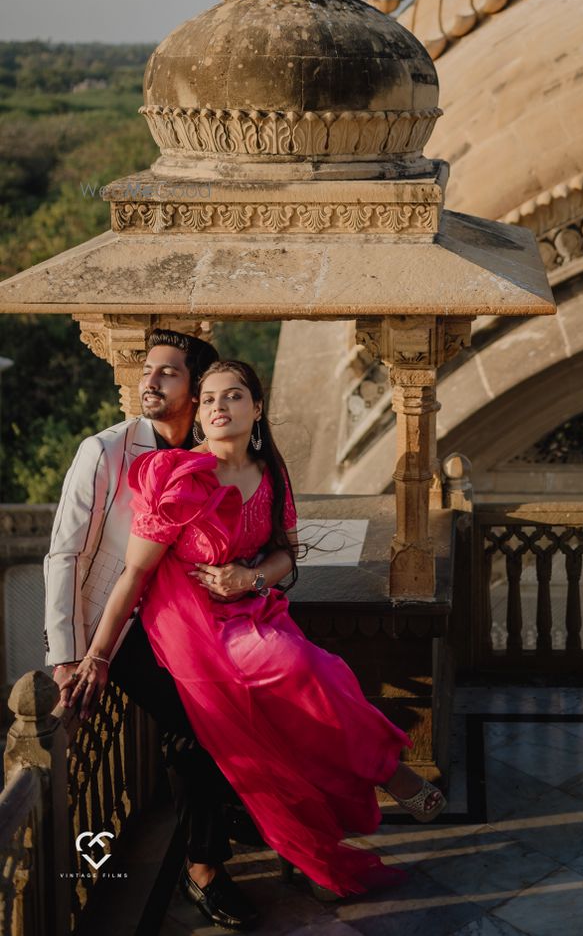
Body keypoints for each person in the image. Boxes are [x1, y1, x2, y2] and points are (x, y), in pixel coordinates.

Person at [66, 359, 445, 902]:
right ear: (199, 414)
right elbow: (135, 573)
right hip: (190, 622)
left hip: (251, 607)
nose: (221, 406)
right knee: (303, 670)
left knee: (325, 677)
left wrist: (249, 576)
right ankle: (388, 774)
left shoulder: (270, 472)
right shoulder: (176, 474)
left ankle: (366, 789)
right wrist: (97, 657)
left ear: (258, 408)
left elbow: (287, 557)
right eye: (211, 398)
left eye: (235, 396)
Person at [47, 329, 259, 932]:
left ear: (196, 389)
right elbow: (63, 555)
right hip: (122, 627)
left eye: (168, 372)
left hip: (189, 617)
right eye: (148, 369)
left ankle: (234, 811)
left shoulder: (209, 447)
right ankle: (204, 867)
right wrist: (69, 654)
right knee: (196, 727)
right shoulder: (106, 450)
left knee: (255, 697)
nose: (149, 380)